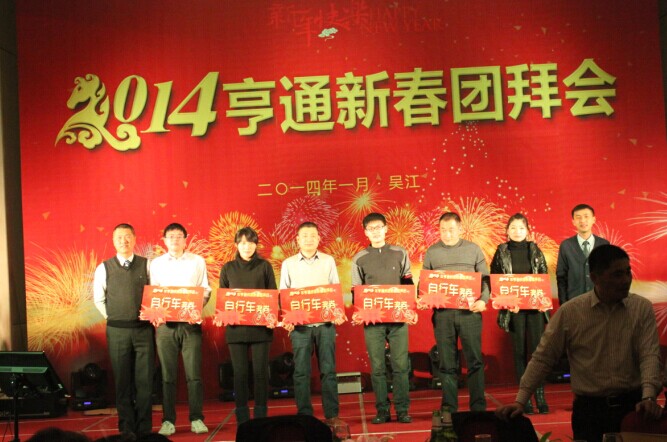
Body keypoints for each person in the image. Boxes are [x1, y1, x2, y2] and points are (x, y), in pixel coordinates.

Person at [496, 244, 663, 442]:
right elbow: (543, 358)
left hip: (633, 408)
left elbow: (649, 354)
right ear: (595, 278)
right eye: (617, 275)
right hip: (589, 412)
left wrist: (649, 397)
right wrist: (520, 401)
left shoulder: (641, 308)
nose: (626, 280)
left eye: (628, 272)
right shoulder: (571, 312)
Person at [421, 212, 490, 412]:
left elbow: (485, 280)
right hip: (443, 315)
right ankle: (449, 407)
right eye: (443, 230)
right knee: (446, 363)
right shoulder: (432, 252)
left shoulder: (473, 249)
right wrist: (423, 297)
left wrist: (483, 300)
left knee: (474, 361)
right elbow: (424, 283)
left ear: (460, 229)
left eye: (451, 230)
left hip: (470, 313)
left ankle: (478, 407)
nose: (447, 234)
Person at [351, 213, 414, 424]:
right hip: (373, 321)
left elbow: (407, 283)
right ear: (365, 232)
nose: (376, 231)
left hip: (398, 318)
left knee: (400, 365)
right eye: (371, 229)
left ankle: (402, 409)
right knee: (377, 367)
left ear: (386, 228)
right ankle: (382, 410)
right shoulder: (359, 258)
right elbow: (356, 290)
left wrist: (409, 310)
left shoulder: (400, 252)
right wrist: (359, 312)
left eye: (379, 227)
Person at [279, 221, 344, 425]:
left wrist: (337, 313)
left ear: (319, 239)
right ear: (297, 240)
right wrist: (287, 318)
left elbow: (335, 289)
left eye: (313, 235)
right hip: (300, 327)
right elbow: (284, 293)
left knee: (328, 370)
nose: (309, 239)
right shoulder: (288, 263)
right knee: (301, 372)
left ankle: (332, 414)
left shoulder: (328, 261)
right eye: (304, 236)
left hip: (325, 324)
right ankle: (305, 414)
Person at [93, 223, 154, 439]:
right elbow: (99, 299)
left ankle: (144, 428)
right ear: (113, 241)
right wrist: (113, 317)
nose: (123, 241)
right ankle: (126, 427)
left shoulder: (147, 265)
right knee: (122, 381)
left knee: (145, 381)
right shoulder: (104, 268)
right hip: (117, 332)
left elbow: (155, 293)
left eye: (127, 236)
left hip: (144, 331)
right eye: (119, 237)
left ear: (134, 239)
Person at [150, 223, 211, 436]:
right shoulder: (156, 264)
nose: (175, 240)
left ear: (186, 239)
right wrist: (157, 313)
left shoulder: (197, 261)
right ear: (164, 240)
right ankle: (168, 420)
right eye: (171, 236)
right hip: (165, 327)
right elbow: (153, 292)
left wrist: (195, 308)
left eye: (178, 236)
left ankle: (196, 418)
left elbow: (205, 289)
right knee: (167, 376)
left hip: (190, 325)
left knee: (194, 375)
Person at [490, 214, 550, 414]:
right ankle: (525, 399)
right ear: (507, 231)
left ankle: (540, 396)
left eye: (521, 228)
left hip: (534, 310)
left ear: (528, 231)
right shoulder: (501, 251)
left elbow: (543, 276)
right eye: (513, 228)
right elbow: (496, 280)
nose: (517, 231)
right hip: (513, 310)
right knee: (519, 354)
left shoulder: (535, 250)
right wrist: (507, 303)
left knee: (537, 354)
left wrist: (542, 300)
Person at [219, 227, 277, 424]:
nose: (247, 246)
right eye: (242, 243)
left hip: (261, 329)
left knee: (260, 373)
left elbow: (272, 294)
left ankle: (261, 415)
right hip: (236, 330)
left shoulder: (264, 266)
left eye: (251, 242)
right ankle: (242, 417)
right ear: (236, 245)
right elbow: (223, 299)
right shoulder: (228, 268)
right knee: (240, 374)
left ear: (256, 245)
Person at [556, 203, 610, 305]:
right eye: (578, 217)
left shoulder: (604, 244)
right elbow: (561, 277)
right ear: (573, 222)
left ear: (593, 219)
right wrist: (564, 305)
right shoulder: (566, 245)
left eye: (586, 216)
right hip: (574, 303)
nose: (582, 220)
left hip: (600, 303)